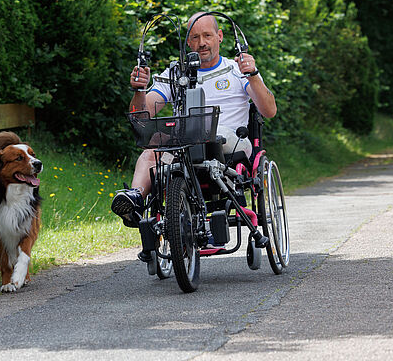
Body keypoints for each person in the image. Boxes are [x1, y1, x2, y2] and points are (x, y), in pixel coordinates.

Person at [111, 12, 277, 227]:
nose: (202, 43)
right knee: (151, 151)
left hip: (229, 143)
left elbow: (269, 110)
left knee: (203, 135)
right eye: (195, 38)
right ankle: (134, 201)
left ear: (220, 36)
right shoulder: (175, 74)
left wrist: (252, 75)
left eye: (207, 35)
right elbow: (142, 114)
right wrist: (140, 90)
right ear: (188, 42)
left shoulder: (237, 70)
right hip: (186, 142)